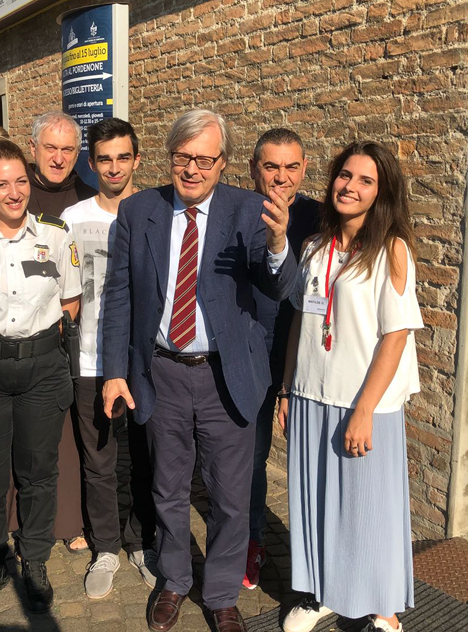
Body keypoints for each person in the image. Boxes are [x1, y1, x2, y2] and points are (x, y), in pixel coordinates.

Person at [101, 109, 297, 632]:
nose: (191, 169)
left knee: (230, 496)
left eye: (203, 160)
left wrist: (279, 246)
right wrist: (115, 370)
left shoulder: (249, 210)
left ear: (223, 163)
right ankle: (174, 582)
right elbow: (118, 294)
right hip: (160, 372)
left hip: (225, 376)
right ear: (169, 158)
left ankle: (222, 593)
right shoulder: (139, 210)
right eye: (182, 157)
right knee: (166, 488)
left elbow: (279, 288)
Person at [278, 141, 422, 632]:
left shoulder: (392, 250)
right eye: (345, 175)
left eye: (365, 180)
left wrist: (364, 410)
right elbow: (302, 317)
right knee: (317, 501)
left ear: (381, 193)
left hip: (363, 403)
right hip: (311, 393)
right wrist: (285, 389)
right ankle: (323, 593)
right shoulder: (316, 247)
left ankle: (384, 610)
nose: (350, 186)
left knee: (368, 508)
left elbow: (396, 335)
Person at [0, 132, 82, 615]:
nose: (13, 192)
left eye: (20, 181)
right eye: (1, 183)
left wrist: (32, 341)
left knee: (38, 472)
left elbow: (70, 300)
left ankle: (35, 558)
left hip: (43, 369)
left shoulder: (55, 236)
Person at [0, 112, 95, 554]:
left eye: (69, 149)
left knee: (57, 441)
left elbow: (74, 288)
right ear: (33, 149)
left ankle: (65, 521)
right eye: (51, 148)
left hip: (57, 345)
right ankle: (6, 529)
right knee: (2, 446)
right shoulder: (11, 189)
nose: (59, 158)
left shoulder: (87, 198)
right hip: (1, 354)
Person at [61, 118, 159, 599]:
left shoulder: (157, 212)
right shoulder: (74, 218)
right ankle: (105, 548)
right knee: (98, 458)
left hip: (145, 360)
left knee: (145, 457)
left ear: (137, 160)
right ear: (92, 162)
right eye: (104, 158)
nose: (114, 167)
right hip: (89, 356)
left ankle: (141, 542)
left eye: (124, 157)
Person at [243, 129, 320, 590]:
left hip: (302, 357)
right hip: (250, 355)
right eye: (271, 166)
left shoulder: (319, 216)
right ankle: (251, 540)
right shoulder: (234, 210)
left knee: (308, 462)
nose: (281, 177)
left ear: (304, 169)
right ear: (255, 168)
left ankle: (315, 556)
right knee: (250, 459)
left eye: (291, 167)